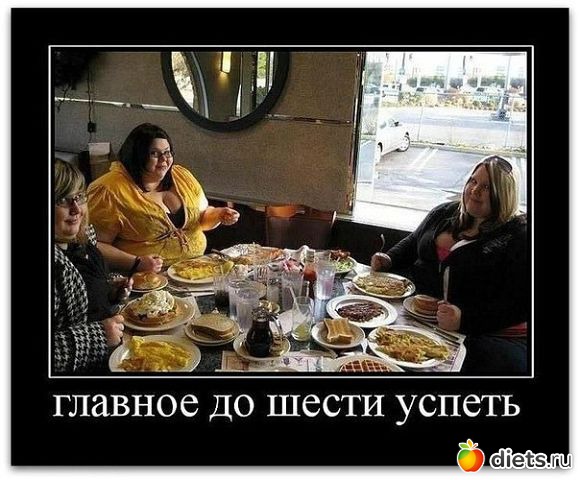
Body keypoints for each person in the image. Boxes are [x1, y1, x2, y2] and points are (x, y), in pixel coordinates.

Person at [371, 155, 528, 374]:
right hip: (419, 315)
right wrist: (390, 258)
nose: (475, 190)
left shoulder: (519, 236)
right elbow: (413, 241)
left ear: (504, 194)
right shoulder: (444, 212)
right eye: (473, 181)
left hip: (487, 332)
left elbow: (519, 305)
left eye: (486, 187)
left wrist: (464, 319)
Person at [87, 123, 240, 272]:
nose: (164, 159)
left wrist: (218, 215)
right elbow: (94, 245)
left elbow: (201, 217)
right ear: (137, 156)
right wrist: (136, 262)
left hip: (196, 270)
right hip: (145, 278)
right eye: (154, 154)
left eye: (167, 152)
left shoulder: (182, 175)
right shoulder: (108, 190)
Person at [53, 159, 126, 374]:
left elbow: (81, 295)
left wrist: (109, 291)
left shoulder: (81, 239)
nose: (76, 209)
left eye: (79, 197)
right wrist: (98, 337)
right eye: (62, 200)